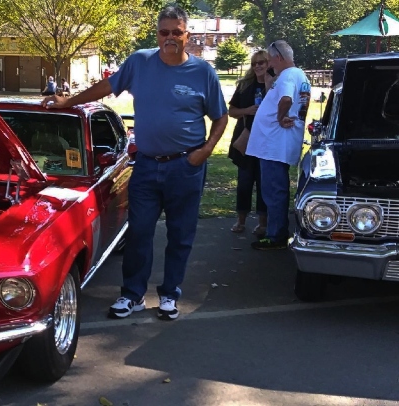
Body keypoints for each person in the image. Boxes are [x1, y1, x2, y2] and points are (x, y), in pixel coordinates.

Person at [41, 5, 228, 321]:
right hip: (145, 165)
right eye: (163, 32)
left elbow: (221, 117)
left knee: (180, 235)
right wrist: (66, 102)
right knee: (139, 232)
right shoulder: (140, 62)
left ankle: (169, 295)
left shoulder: (202, 73)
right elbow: (106, 86)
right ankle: (133, 295)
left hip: (186, 166)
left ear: (187, 35)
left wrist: (206, 150)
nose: (169, 38)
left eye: (176, 32)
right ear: (157, 34)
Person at [246, 40, 310, 250]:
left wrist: (281, 117)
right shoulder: (300, 75)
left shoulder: (288, 75)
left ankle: (276, 236)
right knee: (276, 189)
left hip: (274, 144)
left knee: (273, 191)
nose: (270, 63)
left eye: (271, 58)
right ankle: (278, 232)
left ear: (279, 57)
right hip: (279, 144)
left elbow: (285, 99)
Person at [227, 50, 269, 237]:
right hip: (246, 139)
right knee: (244, 182)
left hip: (267, 141)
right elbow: (232, 111)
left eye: (262, 62)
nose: (258, 66)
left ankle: (262, 223)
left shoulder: (276, 85)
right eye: (254, 63)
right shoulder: (245, 86)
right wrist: (248, 110)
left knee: (263, 183)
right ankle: (241, 220)